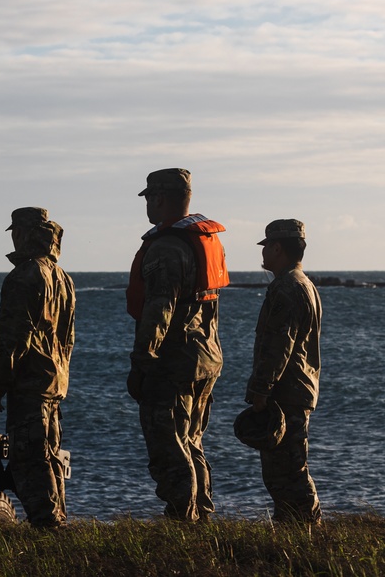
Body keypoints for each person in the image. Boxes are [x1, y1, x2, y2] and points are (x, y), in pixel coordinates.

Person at [125, 168, 227, 521]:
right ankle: (201, 514)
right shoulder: (201, 241)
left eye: (151, 197)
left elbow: (159, 311)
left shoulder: (166, 247)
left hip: (173, 362)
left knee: (168, 444)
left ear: (162, 198)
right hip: (204, 358)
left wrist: (142, 363)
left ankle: (182, 517)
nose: (148, 205)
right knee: (192, 442)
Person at [0, 206, 75, 528]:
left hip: (29, 385)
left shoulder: (25, 276)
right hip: (53, 383)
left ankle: (46, 526)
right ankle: (57, 521)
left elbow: (13, 338)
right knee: (49, 457)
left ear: (23, 234)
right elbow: (67, 339)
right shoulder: (63, 279)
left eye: (14, 232)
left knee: (29, 460)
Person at [245, 219, 322, 523]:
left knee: (287, 471)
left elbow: (279, 344)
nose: (264, 254)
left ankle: (303, 533)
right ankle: (299, 531)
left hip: (287, 393)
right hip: (298, 390)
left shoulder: (287, 287)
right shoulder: (304, 284)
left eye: (267, 247)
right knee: (288, 468)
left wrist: (261, 389)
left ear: (277, 248)